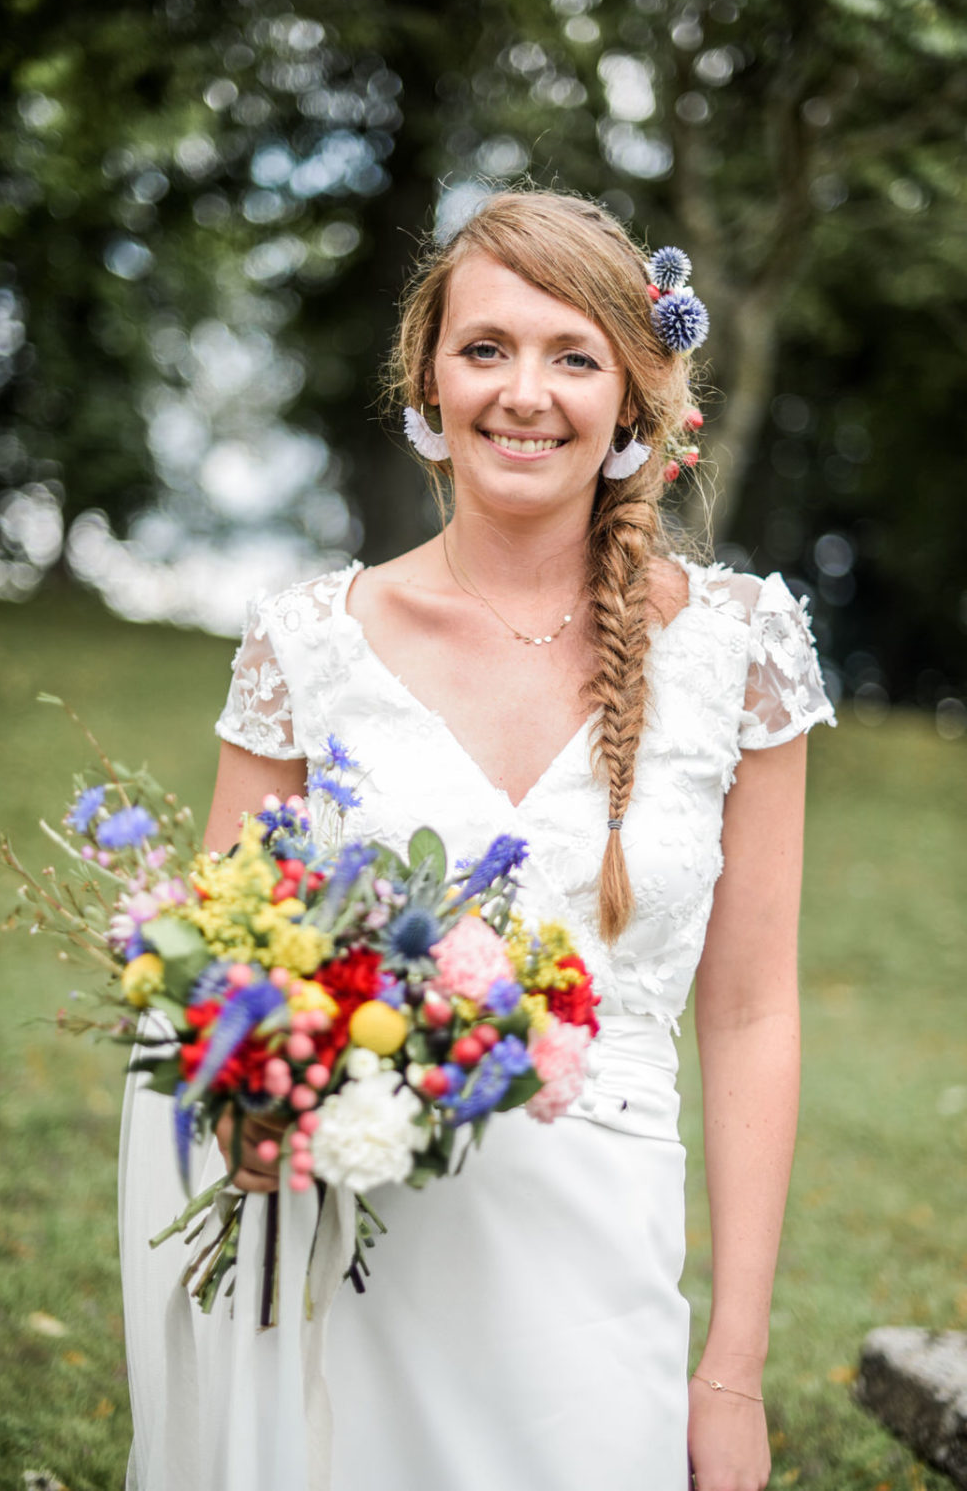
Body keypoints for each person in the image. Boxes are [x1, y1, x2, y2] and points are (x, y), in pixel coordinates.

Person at [119, 188, 835, 1491]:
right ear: (427, 377)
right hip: (345, 1264)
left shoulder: (743, 648)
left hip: (599, 1282)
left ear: (633, 396)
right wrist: (258, 1106)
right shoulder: (307, 641)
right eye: (487, 347)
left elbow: (749, 1015)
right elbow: (210, 979)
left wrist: (731, 1366)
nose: (526, 392)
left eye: (575, 355)